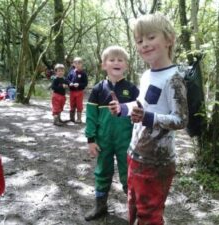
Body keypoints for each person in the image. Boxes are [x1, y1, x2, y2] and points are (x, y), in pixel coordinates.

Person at [109, 13, 189, 225]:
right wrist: (122, 109)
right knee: (133, 203)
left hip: (157, 161)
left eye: (151, 37)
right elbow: (141, 106)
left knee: (150, 214)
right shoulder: (146, 76)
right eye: (139, 40)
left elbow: (181, 120)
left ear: (169, 39)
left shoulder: (174, 78)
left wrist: (148, 118)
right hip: (135, 153)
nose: (144, 44)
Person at [84, 45, 139, 221]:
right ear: (103, 65)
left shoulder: (132, 89)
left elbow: (140, 114)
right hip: (103, 140)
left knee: (128, 173)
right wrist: (90, 139)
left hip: (127, 141)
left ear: (126, 65)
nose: (116, 62)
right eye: (112, 60)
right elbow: (91, 116)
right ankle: (100, 206)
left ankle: (135, 211)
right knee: (102, 171)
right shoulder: (98, 89)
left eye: (120, 60)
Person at [66, 57, 88, 123]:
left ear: (82, 64)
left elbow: (85, 83)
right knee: (72, 104)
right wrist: (70, 83)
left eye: (79, 63)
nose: (77, 64)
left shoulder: (83, 73)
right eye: (75, 63)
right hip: (72, 92)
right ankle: (71, 118)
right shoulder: (71, 72)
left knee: (79, 105)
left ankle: (79, 119)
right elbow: (67, 79)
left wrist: (79, 84)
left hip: (79, 92)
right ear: (73, 64)